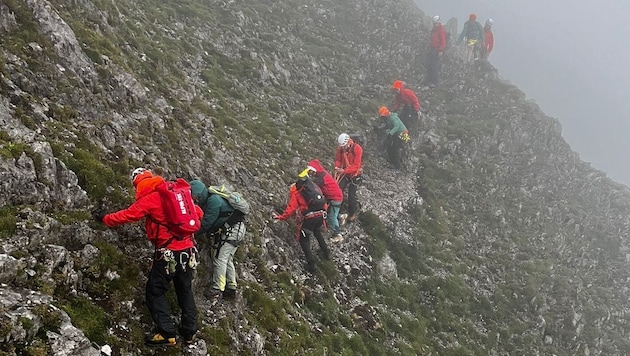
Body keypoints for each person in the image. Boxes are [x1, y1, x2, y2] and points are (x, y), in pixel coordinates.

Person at [93, 168, 201, 347]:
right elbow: (198, 214)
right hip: (188, 251)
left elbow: (128, 215)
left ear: (137, 183)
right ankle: (189, 332)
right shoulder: (174, 193)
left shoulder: (149, 199)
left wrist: (105, 218)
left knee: (155, 291)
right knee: (185, 290)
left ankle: (167, 333)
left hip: (168, 254)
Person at [189, 180, 246, 303]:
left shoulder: (213, 201)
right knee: (227, 258)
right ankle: (231, 286)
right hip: (237, 229)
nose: (195, 201)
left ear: (200, 195)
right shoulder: (213, 198)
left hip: (233, 230)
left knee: (220, 258)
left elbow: (206, 224)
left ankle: (217, 288)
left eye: (196, 198)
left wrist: (191, 233)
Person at [272, 176, 330, 273]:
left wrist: (281, 217)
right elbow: (323, 202)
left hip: (310, 218)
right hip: (321, 215)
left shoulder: (297, 194)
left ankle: (311, 265)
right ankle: (326, 252)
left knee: (304, 240)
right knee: (317, 232)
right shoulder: (313, 189)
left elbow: (290, 209)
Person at [305, 159, 344, 243]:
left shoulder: (321, 178)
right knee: (332, 212)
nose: (310, 173)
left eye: (310, 171)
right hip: (336, 195)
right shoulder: (322, 174)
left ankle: (337, 234)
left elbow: (312, 185)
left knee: (331, 217)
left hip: (335, 197)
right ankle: (340, 216)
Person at [334, 133, 363, 223]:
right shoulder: (341, 149)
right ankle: (340, 211)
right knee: (338, 190)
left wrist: (344, 171)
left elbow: (356, 165)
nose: (344, 147)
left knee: (351, 195)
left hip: (355, 174)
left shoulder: (357, 148)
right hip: (346, 173)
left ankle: (352, 214)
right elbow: (338, 159)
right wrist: (337, 167)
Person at [427, 15, 446, 87]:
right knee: (431, 65)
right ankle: (431, 81)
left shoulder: (441, 31)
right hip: (432, 49)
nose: (434, 24)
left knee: (434, 65)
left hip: (436, 50)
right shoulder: (434, 30)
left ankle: (434, 81)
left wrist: (441, 50)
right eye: (434, 23)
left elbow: (443, 42)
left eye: (435, 23)